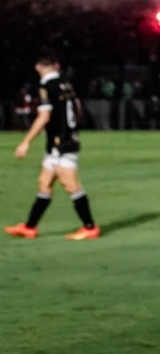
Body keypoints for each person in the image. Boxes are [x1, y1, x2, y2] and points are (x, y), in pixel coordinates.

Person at [6, 57, 99, 240]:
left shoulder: (46, 86)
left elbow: (44, 116)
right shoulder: (65, 84)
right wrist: (73, 129)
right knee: (44, 183)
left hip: (61, 143)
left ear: (38, 68)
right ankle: (30, 227)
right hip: (63, 140)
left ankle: (90, 227)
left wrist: (26, 142)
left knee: (71, 185)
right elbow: (78, 108)